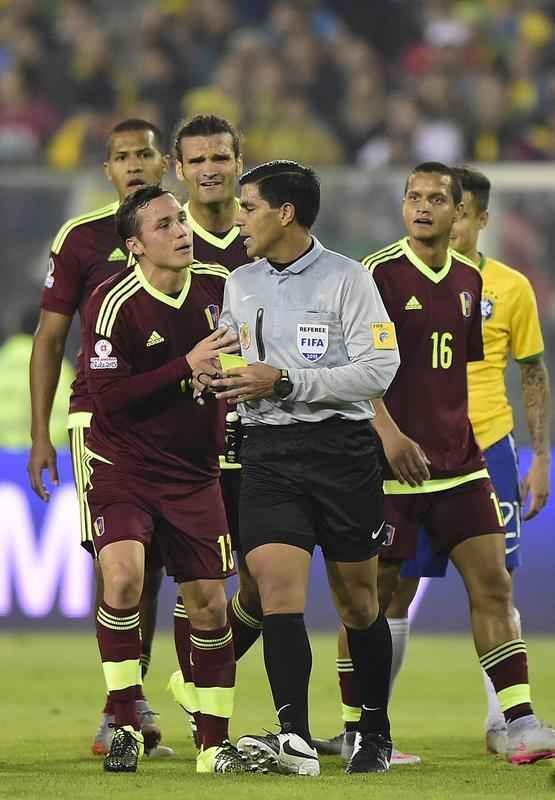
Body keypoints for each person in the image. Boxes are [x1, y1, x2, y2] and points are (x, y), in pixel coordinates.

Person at [316, 162, 555, 767]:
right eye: (414, 198)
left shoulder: (473, 284)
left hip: (463, 464)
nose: (423, 207)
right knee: (372, 600)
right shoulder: (377, 275)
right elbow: (352, 367)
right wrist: (390, 435)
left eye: (436, 199)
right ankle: (357, 729)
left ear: (459, 214)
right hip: (392, 469)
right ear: (404, 207)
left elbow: (456, 376)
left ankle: (519, 721)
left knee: (494, 584)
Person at [198, 160, 400, 776]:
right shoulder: (242, 283)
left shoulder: (350, 280)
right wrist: (215, 370)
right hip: (268, 454)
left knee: (358, 602)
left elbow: (378, 371)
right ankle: (295, 737)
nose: (239, 217)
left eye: (249, 206)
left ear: (286, 213)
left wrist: (285, 380)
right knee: (277, 593)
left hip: (341, 452)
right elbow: (233, 358)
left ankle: (374, 728)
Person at [82, 185, 261, 775]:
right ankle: (124, 715)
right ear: (136, 245)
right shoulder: (113, 302)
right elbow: (106, 399)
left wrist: (226, 380)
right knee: (125, 573)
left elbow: (236, 358)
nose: (181, 230)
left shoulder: (217, 285)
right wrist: (185, 366)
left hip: (193, 471)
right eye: (164, 224)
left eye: (180, 219)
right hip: (124, 465)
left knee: (210, 604)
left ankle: (213, 745)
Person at [27, 118, 172, 757]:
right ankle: (120, 707)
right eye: (122, 157)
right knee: (119, 562)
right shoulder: (83, 238)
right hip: (105, 422)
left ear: (163, 163)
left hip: (182, 422)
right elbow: (51, 338)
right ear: (107, 170)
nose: (134, 165)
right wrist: (41, 432)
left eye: (144, 154)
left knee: (165, 565)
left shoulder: (185, 234)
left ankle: (142, 699)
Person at [169, 114, 263, 737]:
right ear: (179, 170)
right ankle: (193, 705)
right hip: (189, 444)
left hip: (264, 434)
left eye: (220, 158)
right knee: (198, 580)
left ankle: (195, 680)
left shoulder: (264, 233)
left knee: (261, 582)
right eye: (197, 159)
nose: (210, 169)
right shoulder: (164, 241)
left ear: (238, 160)